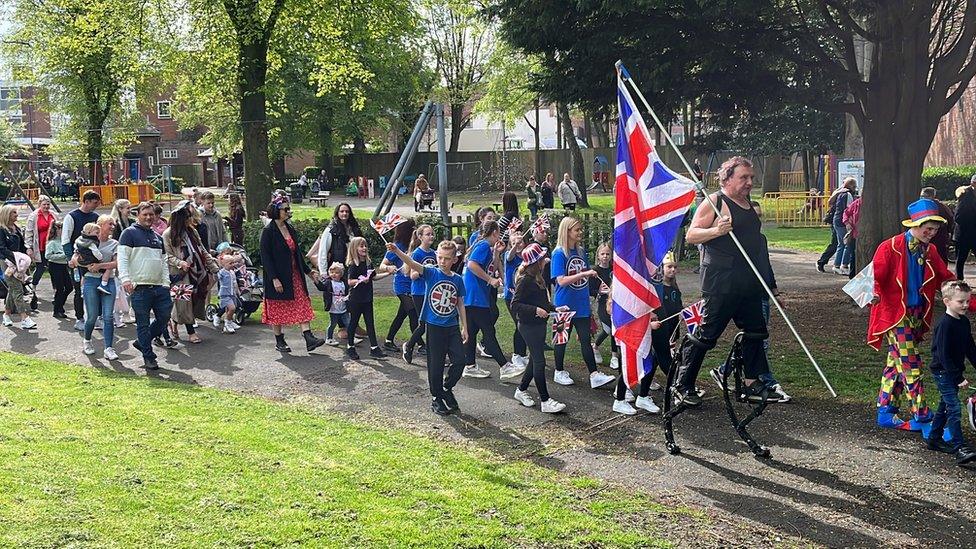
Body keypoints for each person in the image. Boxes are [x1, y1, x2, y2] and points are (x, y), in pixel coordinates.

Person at [676, 156, 774, 406]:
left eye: (751, 177)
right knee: (706, 335)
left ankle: (752, 383)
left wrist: (769, 284)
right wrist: (716, 231)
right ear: (727, 178)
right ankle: (683, 383)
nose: (750, 182)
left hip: (748, 281)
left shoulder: (748, 204)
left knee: (756, 330)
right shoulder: (715, 202)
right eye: (744, 177)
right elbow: (691, 235)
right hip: (721, 281)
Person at [869, 198, 954, 431]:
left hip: (917, 314)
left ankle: (886, 412)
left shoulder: (931, 249)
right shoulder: (890, 247)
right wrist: (874, 294)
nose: (932, 232)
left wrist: (965, 297)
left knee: (896, 363)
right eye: (929, 227)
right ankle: (922, 416)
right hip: (895, 315)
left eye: (936, 228)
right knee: (911, 364)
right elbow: (874, 277)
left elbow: (944, 277)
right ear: (915, 224)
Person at [387, 239, 468, 415]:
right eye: (439, 257)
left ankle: (446, 388)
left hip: (452, 326)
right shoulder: (432, 273)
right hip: (434, 325)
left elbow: (460, 303)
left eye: (447, 258)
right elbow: (412, 263)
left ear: (454, 259)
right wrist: (397, 252)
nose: (442, 261)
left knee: (460, 360)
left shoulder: (458, 279)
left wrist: (465, 327)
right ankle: (436, 398)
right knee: (436, 364)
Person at [550, 216, 615, 389]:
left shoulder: (581, 252)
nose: (580, 232)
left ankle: (594, 374)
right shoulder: (558, 253)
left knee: (586, 340)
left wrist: (593, 291)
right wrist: (584, 274)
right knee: (562, 338)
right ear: (567, 231)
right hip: (564, 304)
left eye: (580, 229)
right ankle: (559, 371)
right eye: (576, 230)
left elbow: (586, 278)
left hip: (581, 304)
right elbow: (561, 280)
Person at [259, 192, 326, 354]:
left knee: (302, 302)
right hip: (278, 277)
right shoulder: (268, 231)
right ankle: (279, 339)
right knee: (277, 308)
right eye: (285, 209)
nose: (288, 211)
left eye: (288, 208)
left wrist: (309, 271)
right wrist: (274, 279)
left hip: (294, 275)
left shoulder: (290, 228)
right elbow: (265, 258)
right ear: (276, 211)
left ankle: (308, 337)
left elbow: (297, 254)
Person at [510, 243, 567, 413]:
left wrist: (554, 308)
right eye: (542, 259)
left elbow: (541, 302)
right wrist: (535, 310)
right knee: (540, 361)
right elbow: (515, 304)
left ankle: (520, 390)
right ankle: (545, 400)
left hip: (538, 325)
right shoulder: (525, 281)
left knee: (535, 360)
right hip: (528, 326)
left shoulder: (538, 278)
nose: (545, 261)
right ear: (536, 262)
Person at [461, 220, 520, 380]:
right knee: (488, 331)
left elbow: (489, 266)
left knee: (471, 332)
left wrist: (496, 254)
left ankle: (470, 365)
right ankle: (504, 366)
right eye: (498, 232)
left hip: (474, 296)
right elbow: (473, 265)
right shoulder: (482, 246)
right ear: (494, 232)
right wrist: (489, 279)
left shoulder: (486, 247)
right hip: (475, 295)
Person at [925, 280, 976, 464]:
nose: (965, 305)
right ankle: (959, 447)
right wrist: (957, 377)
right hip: (943, 372)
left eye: (967, 301)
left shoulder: (963, 322)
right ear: (947, 301)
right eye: (960, 302)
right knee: (954, 407)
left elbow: (970, 348)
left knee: (945, 405)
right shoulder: (945, 325)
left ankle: (934, 438)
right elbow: (943, 355)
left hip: (952, 371)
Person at [118, 202, 174, 370]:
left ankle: (142, 342)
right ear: (138, 215)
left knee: (164, 317)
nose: (149, 217)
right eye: (145, 214)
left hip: (159, 287)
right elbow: (123, 258)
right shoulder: (128, 234)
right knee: (142, 323)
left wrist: (166, 283)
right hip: (139, 287)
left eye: (151, 214)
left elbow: (164, 262)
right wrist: (125, 279)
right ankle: (149, 357)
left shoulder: (157, 237)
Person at [72, 215, 119, 359]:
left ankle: (109, 348)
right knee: (92, 316)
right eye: (109, 224)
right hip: (91, 280)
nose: (112, 227)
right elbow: (74, 260)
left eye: (113, 224)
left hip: (108, 280)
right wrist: (84, 264)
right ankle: (87, 340)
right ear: (99, 226)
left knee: (108, 316)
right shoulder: (85, 241)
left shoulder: (114, 244)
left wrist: (100, 265)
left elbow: (117, 263)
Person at [344, 236, 392, 359]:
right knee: (353, 322)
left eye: (365, 245)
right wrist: (360, 281)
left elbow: (374, 277)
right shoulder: (353, 265)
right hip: (355, 299)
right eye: (361, 246)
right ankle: (350, 347)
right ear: (355, 248)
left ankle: (374, 348)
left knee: (370, 323)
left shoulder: (368, 263)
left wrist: (388, 273)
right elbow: (349, 281)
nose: (364, 248)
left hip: (367, 298)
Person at [61, 190, 101, 330]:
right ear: (87, 201)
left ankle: (95, 317)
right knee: (79, 290)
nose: (97, 205)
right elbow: (65, 239)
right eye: (95, 203)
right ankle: (79, 318)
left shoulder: (96, 217)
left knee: (97, 289)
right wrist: (70, 259)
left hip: (93, 260)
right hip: (77, 260)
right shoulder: (71, 217)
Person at [381, 219, 419, 351]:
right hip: (402, 286)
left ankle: (388, 340)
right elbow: (382, 265)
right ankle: (420, 344)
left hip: (413, 284)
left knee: (401, 315)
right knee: (413, 313)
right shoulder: (396, 246)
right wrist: (388, 268)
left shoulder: (414, 245)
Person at [402, 224, 436, 364]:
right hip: (419, 292)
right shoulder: (417, 254)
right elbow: (412, 275)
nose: (431, 236)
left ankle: (433, 352)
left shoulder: (434, 253)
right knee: (424, 324)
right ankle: (409, 346)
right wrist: (425, 269)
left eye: (432, 234)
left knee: (431, 323)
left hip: (431, 291)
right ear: (420, 237)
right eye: (428, 234)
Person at [0, 205, 36, 330]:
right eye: (13, 212)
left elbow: (21, 245)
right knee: (18, 289)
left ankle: (6, 314)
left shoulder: (16, 228)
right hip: (8, 263)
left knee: (13, 288)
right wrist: (15, 258)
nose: (16, 214)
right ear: (7, 215)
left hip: (19, 262)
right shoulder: (1, 229)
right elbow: (2, 248)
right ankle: (24, 317)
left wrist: (26, 252)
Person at [24, 194, 56, 312]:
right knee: (41, 267)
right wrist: (29, 247)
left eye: (48, 204)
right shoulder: (34, 216)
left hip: (51, 245)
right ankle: (34, 287)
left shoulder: (53, 215)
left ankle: (55, 290)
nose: (46, 206)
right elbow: (29, 232)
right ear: (39, 205)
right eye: (44, 204)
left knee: (53, 268)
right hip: (40, 245)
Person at [316, 203, 363, 274]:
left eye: (347, 211)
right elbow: (323, 251)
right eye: (342, 211)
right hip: (338, 270)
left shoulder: (355, 228)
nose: (344, 213)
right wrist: (323, 273)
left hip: (355, 267)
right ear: (337, 213)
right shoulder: (331, 230)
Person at [73, 223, 115, 295]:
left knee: (83, 274)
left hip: (82, 260)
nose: (98, 234)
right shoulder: (91, 242)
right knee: (105, 270)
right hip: (91, 260)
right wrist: (100, 258)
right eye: (97, 233)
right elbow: (96, 252)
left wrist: (77, 252)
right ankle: (104, 284)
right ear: (89, 232)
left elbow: (75, 247)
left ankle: (82, 289)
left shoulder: (79, 240)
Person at [920, 187, 954, 264]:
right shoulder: (920, 206)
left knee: (940, 255)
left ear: (932, 196)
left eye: (925, 196)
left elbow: (950, 218)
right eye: (922, 196)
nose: (923, 198)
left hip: (940, 235)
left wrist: (948, 231)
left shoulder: (941, 206)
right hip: (925, 236)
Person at [45, 219, 72, 319]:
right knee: (60, 288)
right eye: (60, 228)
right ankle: (57, 310)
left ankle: (59, 304)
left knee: (69, 287)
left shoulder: (64, 241)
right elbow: (48, 256)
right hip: (55, 266)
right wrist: (63, 256)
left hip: (63, 266)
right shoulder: (52, 243)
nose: (62, 230)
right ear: (55, 229)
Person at [830, 177, 857, 275]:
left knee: (840, 244)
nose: (855, 188)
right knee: (847, 244)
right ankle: (843, 265)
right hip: (842, 222)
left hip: (836, 220)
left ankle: (837, 265)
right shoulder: (848, 195)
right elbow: (849, 209)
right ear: (850, 186)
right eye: (854, 186)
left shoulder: (840, 193)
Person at [953, 174, 976, 280]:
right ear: (972, 184)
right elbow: (957, 216)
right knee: (960, 259)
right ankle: (959, 281)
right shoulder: (965, 195)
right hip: (963, 234)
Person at [322, 262, 350, 346]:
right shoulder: (328, 282)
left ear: (341, 274)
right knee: (333, 324)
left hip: (343, 307)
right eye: (332, 272)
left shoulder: (344, 283)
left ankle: (351, 336)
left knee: (348, 323)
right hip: (333, 308)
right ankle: (329, 338)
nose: (334, 274)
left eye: (337, 273)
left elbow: (348, 291)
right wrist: (316, 280)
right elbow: (321, 287)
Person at [213, 253, 241, 334]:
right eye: (230, 263)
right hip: (225, 294)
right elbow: (216, 278)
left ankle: (229, 321)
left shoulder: (232, 272)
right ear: (224, 264)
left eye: (233, 263)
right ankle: (227, 322)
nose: (232, 265)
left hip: (232, 294)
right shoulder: (222, 272)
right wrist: (216, 271)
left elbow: (234, 282)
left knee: (231, 309)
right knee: (232, 308)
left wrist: (237, 291)